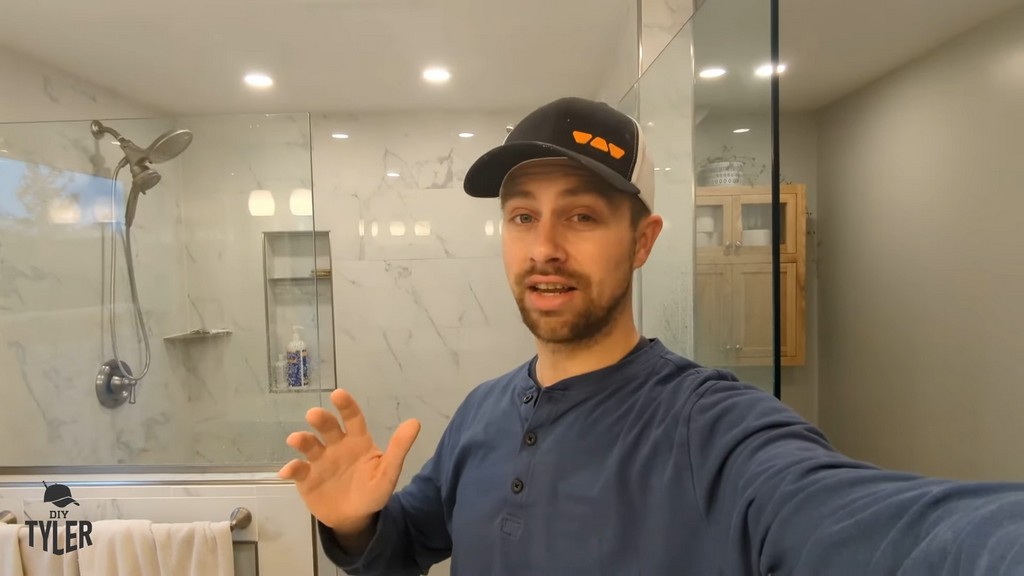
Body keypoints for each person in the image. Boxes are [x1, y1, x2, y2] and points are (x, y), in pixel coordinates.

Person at [278, 97, 1024, 575]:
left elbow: (878, 530)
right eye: (521, 216)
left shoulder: (711, 427)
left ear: (642, 241)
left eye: (581, 216)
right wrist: (357, 523)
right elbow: (409, 540)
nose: (544, 248)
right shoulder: (483, 411)